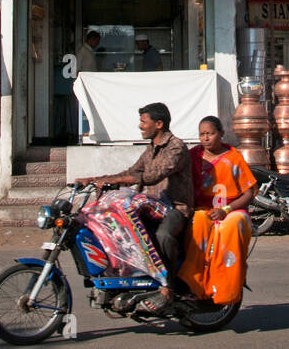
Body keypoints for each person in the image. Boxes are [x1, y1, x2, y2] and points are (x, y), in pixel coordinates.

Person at [75, 102, 192, 312]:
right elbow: (130, 171)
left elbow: (152, 176)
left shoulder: (176, 147)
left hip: (175, 208)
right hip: (152, 206)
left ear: (158, 124)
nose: (140, 126)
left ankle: (168, 287)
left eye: (143, 122)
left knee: (163, 236)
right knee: (119, 228)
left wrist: (125, 179)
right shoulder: (150, 149)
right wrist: (95, 180)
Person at [179, 116, 256, 305]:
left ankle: (226, 290)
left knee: (232, 226)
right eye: (202, 134)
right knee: (197, 223)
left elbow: (249, 193)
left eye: (210, 133)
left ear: (221, 133)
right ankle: (194, 285)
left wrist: (226, 209)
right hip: (202, 210)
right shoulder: (192, 156)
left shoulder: (233, 157)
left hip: (231, 210)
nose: (206, 138)